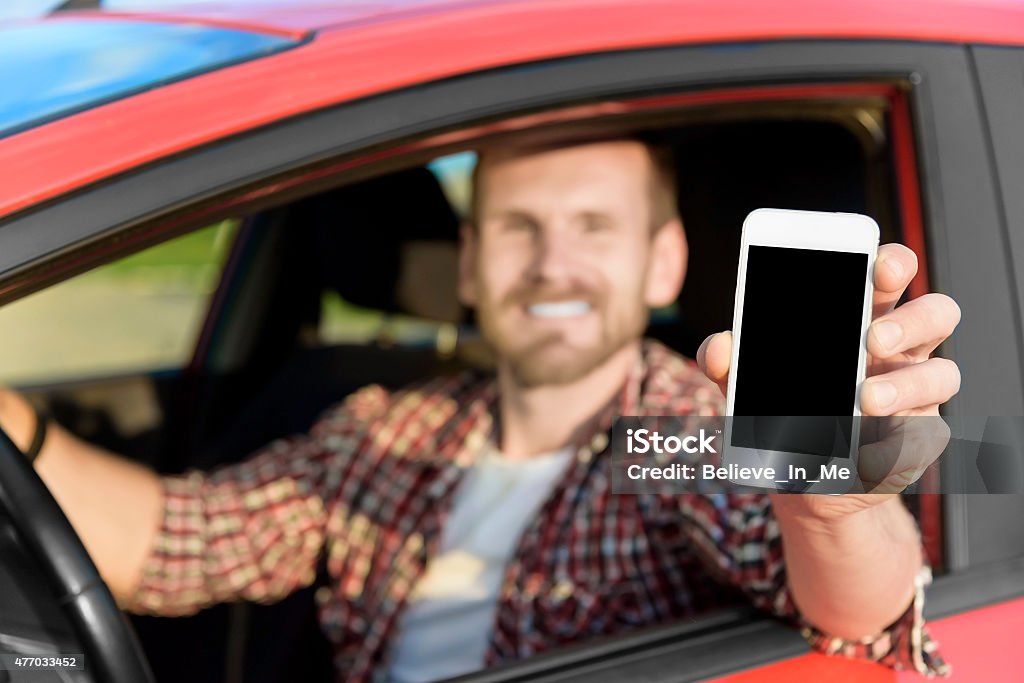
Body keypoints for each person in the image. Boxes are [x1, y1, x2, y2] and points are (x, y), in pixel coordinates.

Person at [0, 136, 960, 682]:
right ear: (469, 263)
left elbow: (856, 607)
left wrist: (829, 501)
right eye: (517, 227)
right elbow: (176, 541)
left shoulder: (683, 430)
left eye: (593, 227)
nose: (552, 263)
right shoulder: (389, 427)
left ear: (663, 261)